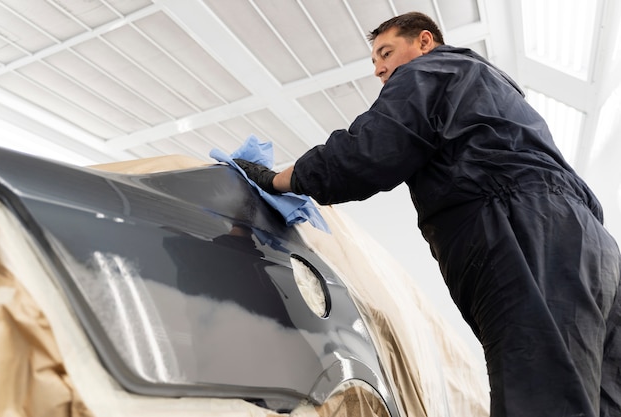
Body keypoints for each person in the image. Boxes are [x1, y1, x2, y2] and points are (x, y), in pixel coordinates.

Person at [234, 11, 621, 417]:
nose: (380, 68)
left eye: (385, 53)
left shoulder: (430, 70)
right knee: (603, 396)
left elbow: (365, 153)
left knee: (540, 392)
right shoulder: (492, 85)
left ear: (423, 41)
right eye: (374, 61)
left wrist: (276, 179)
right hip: (594, 247)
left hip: (519, 227)